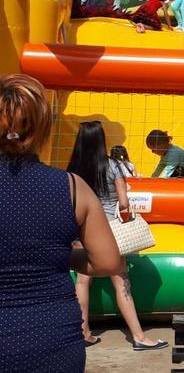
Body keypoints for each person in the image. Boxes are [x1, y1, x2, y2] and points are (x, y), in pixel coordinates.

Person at [0, 75, 122, 372]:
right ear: (42, 127)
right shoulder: (72, 187)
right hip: (53, 338)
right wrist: (55, 255)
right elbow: (108, 262)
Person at [67, 121, 168, 351]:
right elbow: (123, 203)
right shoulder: (113, 165)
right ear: (101, 139)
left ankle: (84, 333)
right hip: (109, 231)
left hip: (81, 230)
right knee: (121, 281)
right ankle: (139, 337)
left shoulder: (73, 168)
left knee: (82, 281)